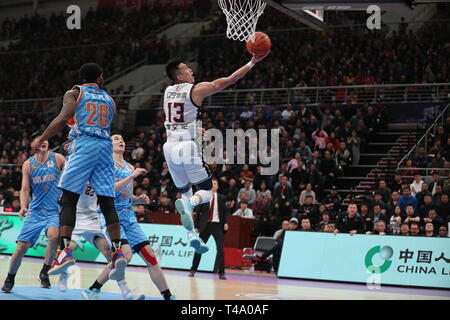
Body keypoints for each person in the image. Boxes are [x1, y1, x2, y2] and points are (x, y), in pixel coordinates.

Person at [163, 53, 268, 253]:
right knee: (206, 194)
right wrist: (252, 61)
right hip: (187, 146)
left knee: (184, 192)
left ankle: (191, 235)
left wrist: (195, 128)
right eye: (186, 69)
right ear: (179, 76)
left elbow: (178, 118)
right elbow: (230, 80)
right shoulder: (196, 89)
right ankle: (191, 203)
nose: (190, 70)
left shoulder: (167, 91)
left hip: (169, 148)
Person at [30, 63, 126, 278]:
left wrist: (42, 138)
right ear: (99, 78)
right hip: (104, 147)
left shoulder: (75, 93)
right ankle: (118, 251)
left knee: (68, 198)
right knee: (107, 201)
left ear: (82, 78)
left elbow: (62, 119)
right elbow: (101, 124)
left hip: (85, 145)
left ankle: (64, 252)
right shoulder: (110, 100)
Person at [84, 133, 175, 300]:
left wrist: (138, 199)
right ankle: (93, 289)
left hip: (129, 217)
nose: (121, 141)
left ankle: (168, 296)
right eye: (116, 139)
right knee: (124, 255)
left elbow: (128, 194)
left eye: (122, 139)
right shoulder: (105, 165)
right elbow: (109, 191)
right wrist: (131, 176)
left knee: (150, 256)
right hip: (111, 215)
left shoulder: (128, 166)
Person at [58, 182, 145, 300]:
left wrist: (137, 199)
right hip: (75, 217)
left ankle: (125, 291)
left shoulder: (101, 174)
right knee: (68, 249)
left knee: (112, 255)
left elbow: (117, 192)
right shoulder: (77, 170)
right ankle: (64, 275)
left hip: (94, 218)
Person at [1, 135, 65, 292]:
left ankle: (44, 271)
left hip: (53, 211)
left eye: (45, 140)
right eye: (39, 140)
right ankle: (10, 277)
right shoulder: (28, 164)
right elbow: (24, 189)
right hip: (35, 211)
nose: (43, 142)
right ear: (32, 145)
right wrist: (23, 206)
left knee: (53, 236)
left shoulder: (58, 159)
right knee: (21, 247)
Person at [189, 179, 228, 280]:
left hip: (217, 225)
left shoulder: (221, 198)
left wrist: (226, 223)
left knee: (220, 249)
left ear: (218, 186)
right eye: (212, 184)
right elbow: (197, 213)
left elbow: (225, 212)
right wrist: (196, 226)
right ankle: (193, 269)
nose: (213, 185)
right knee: (199, 248)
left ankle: (222, 272)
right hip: (205, 226)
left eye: (215, 183)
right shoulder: (204, 197)